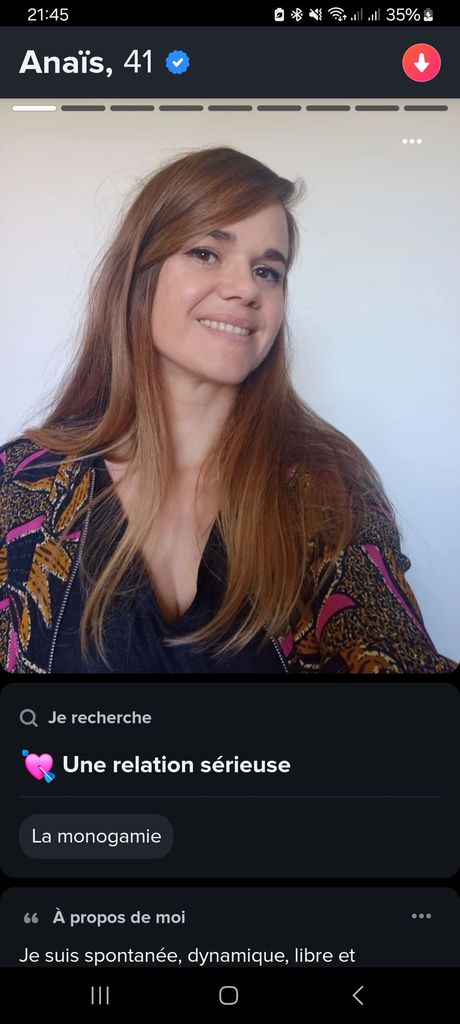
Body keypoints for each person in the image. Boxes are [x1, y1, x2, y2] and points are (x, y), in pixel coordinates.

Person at [0, 146, 456, 675]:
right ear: (140, 273)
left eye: (267, 271)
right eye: (206, 253)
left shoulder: (328, 488)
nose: (246, 290)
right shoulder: (21, 484)